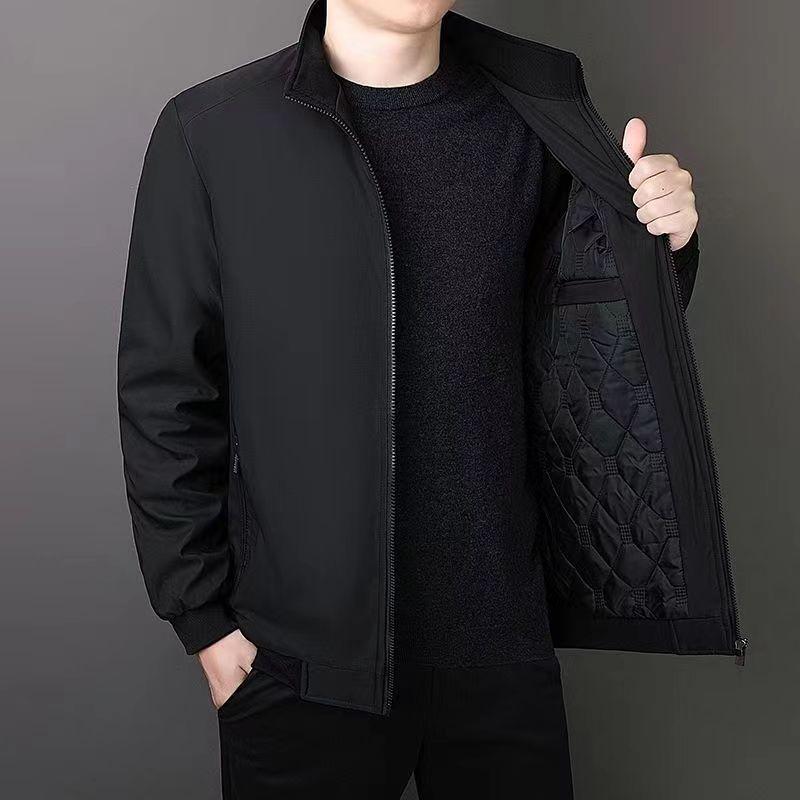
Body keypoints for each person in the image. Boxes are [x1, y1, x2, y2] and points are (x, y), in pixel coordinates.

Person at [118, 1, 744, 797]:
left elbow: (584, 339)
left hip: (501, 641)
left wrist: (662, 242)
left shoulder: (532, 113)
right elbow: (166, 393)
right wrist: (204, 624)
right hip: (300, 660)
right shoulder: (213, 131)